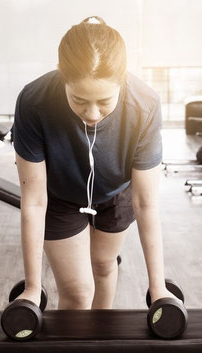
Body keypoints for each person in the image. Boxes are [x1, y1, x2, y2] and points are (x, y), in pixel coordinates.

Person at [12, 16, 174, 310]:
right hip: (60, 197)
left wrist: (158, 287)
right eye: (80, 100)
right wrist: (33, 288)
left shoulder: (144, 104)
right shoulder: (34, 101)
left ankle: (101, 340)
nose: (93, 113)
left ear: (122, 79)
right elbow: (34, 200)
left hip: (117, 194)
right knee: (77, 291)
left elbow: (145, 202)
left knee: (103, 266)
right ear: (62, 75)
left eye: (104, 101)